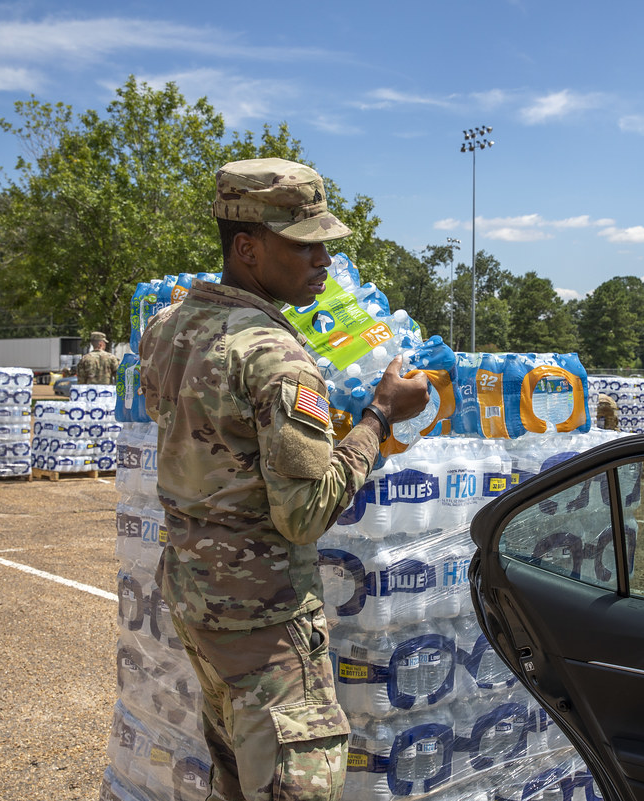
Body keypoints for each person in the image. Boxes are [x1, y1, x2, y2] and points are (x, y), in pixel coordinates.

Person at [138, 157, 429, 801]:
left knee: (238, 778)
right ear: (248, 248)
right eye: (304, 245)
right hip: (261, 616)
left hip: (195, 592)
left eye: (325, 243)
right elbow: (306, 513)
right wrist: (379, 417)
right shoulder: (277, 357)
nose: (323, 259)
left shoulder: (164, 329)